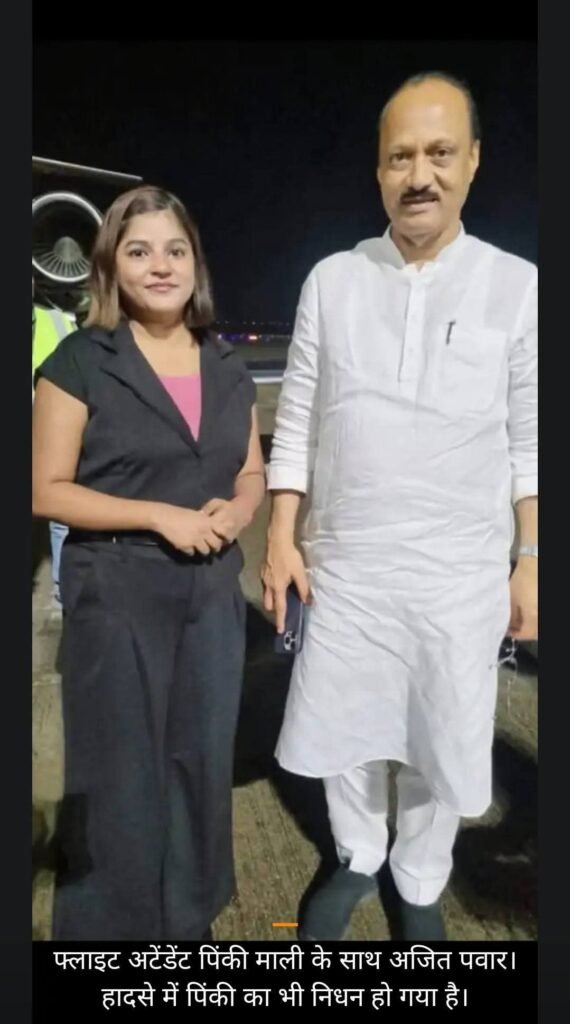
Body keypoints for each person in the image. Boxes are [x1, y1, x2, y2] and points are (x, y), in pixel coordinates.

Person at [262, 72, 537, 940]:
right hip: (346, 564)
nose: (420, 175)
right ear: (379, 169)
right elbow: (297, 418)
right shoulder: (334, 280)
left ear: (474, 161)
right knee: (345, 728)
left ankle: (419, 877)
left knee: (438, 731)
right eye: (401, 157)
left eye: (440, 153)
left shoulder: (517, 285)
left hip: (459, 572)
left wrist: (532, 560)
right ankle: (356, 855)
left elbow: (533, 440)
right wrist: (280, 536)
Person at [32, 185, 265, 940]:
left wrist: (239, 512)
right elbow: (45, 489)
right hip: (118, 594)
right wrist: (157, 514)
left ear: (196, 264)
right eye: (139, 251)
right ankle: (109, 932)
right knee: (118, 775)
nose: (160, 266)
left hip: (211, 600)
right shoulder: (81, 362)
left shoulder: (227, 366)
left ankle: (187, 919)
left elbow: (251, 472)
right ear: (111, 267)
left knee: (200, 765)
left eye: (175, 250)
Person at [32, 284, 75, 607]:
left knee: (61, 510)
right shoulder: (57, 317)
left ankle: (63, 592)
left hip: (53, 423)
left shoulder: (61, 316)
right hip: (47, 420)